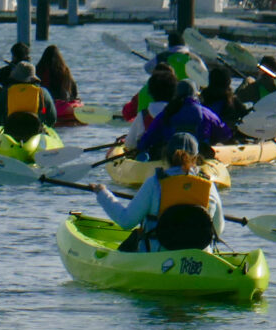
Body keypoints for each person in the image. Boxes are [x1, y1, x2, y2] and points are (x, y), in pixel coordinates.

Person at [91, 133, 224, 252]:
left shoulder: (155, 183)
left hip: (158, 258)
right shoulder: (208, 185)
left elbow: (126, 221)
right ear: (196, 158)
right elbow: (218, 229)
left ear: (166, 156)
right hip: (199, 260)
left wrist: (102, 193)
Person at [134, 79, 231, 159]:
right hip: (199, 155)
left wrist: (140, 148)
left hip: (172, 156)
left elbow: (148, 138)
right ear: (196, 95)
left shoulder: (167, 112)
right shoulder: (206, 113)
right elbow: (225, 134)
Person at [0, 61, 57, 140]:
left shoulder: (5, 92)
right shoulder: (42, 92)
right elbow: (52, 118)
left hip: (10, 132)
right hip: (35, 132)